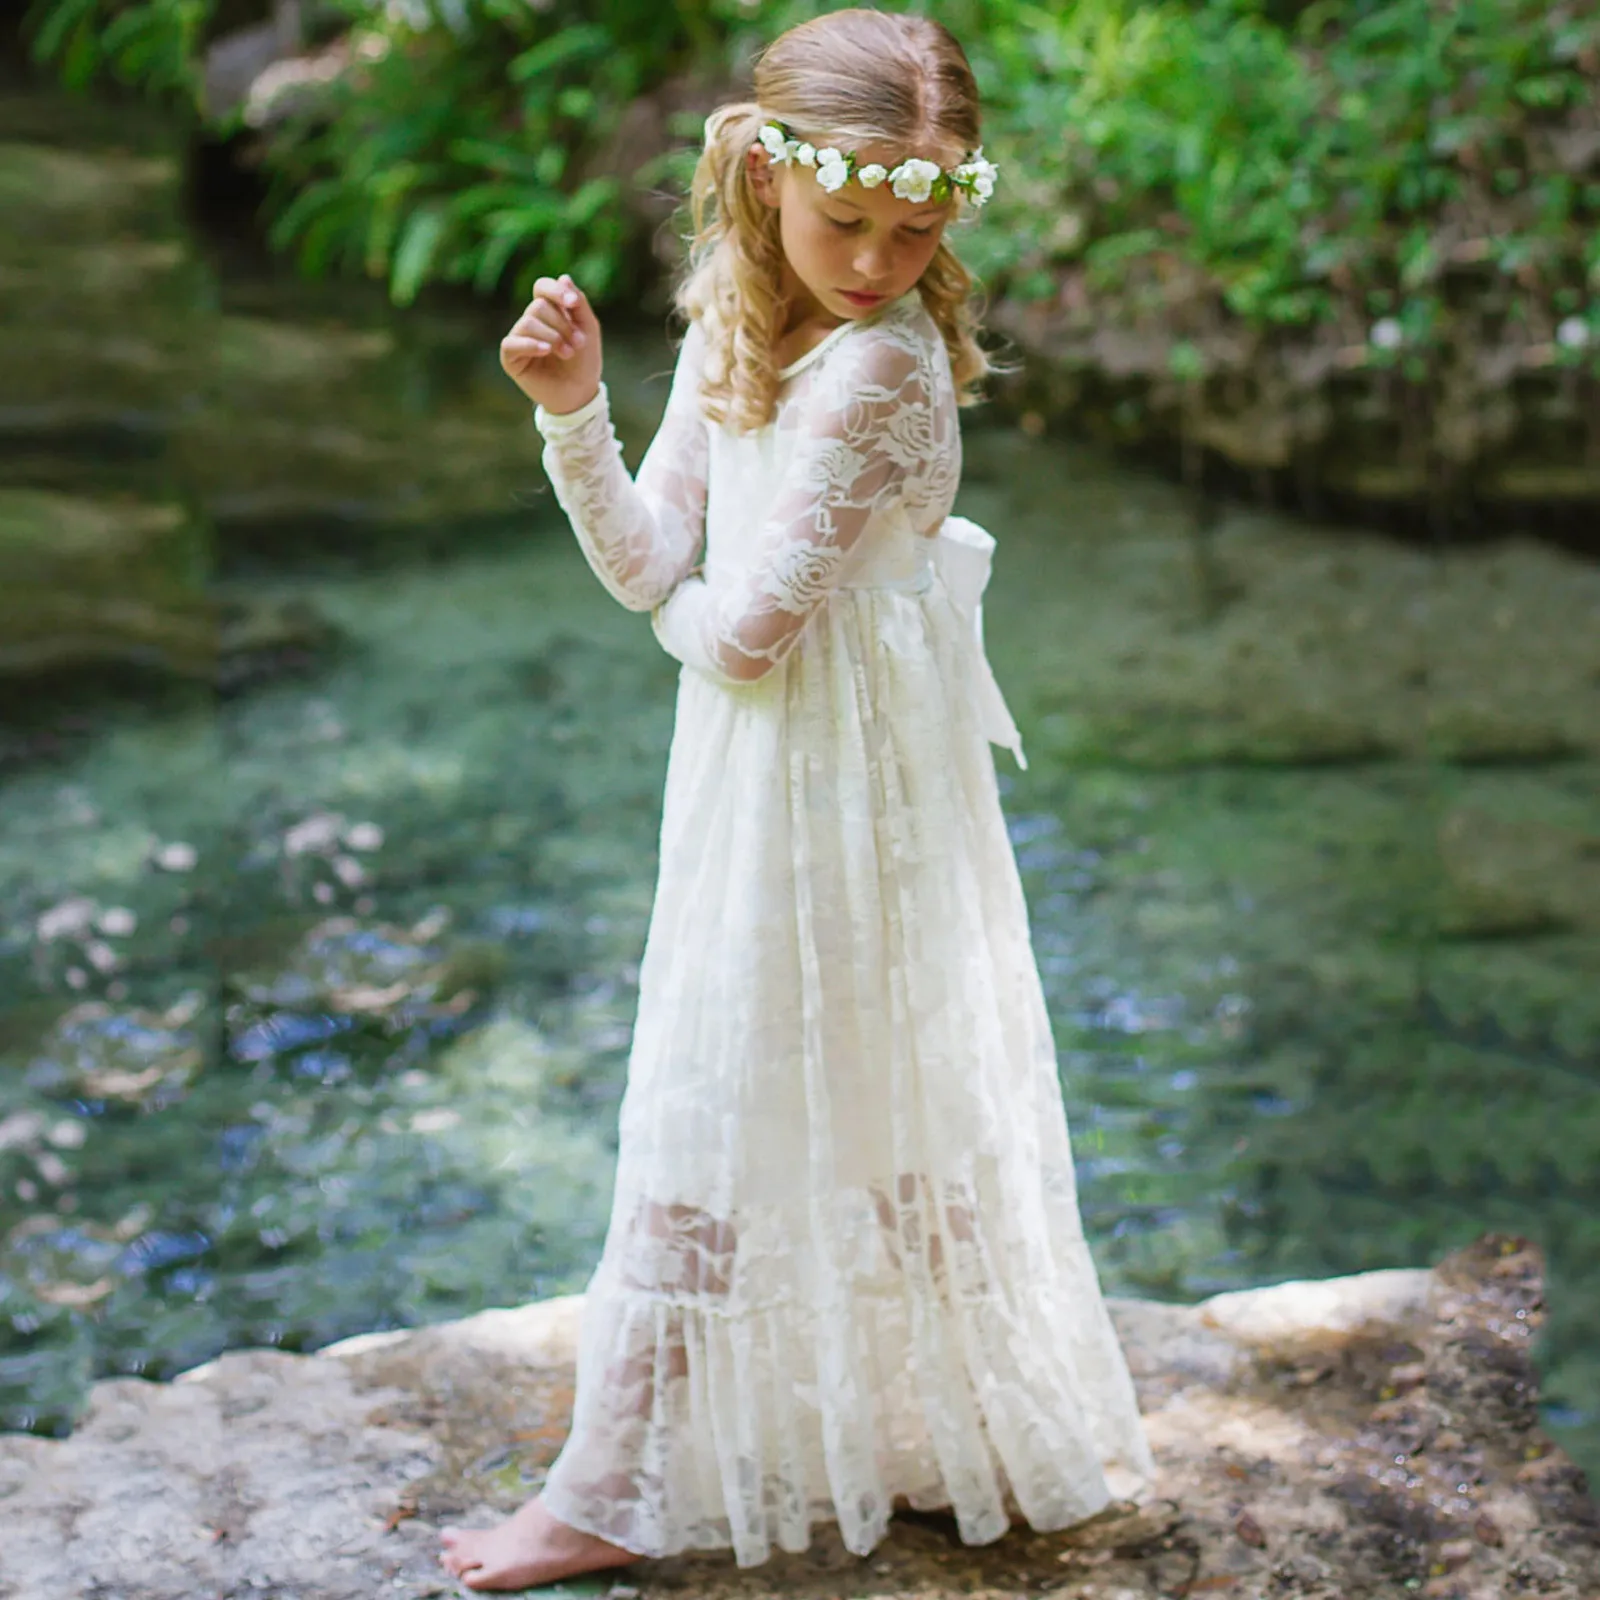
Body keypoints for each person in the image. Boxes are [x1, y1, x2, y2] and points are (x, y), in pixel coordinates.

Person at [438, 9, 1157, 1591]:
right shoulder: (731, 326)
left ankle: (651, 1481)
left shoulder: (884, 370)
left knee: (817, 1087)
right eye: (849, 221)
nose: (882, 259)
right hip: (762, 769)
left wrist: (679, 619)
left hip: (857, 784)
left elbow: (742, 633)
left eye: (919, 226)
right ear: (764, 177)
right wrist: (572, 413)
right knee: (731, 1082)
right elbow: (654, 559)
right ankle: (623, 1477)